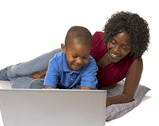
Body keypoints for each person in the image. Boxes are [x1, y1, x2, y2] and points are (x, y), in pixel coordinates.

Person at [0, 11, 150, 107]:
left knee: (25, 85)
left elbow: (128, 95)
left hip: (78, 84)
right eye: (114, 42)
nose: (116, 50)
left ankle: (15, 80)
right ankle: (8, 71)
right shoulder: (98, 38)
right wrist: (45, 72)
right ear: (109, 36)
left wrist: (106, 101)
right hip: (63, 63)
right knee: (24, 69)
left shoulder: (134, 63)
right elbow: (75, 54)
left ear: (134, 47)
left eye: (124, 47)